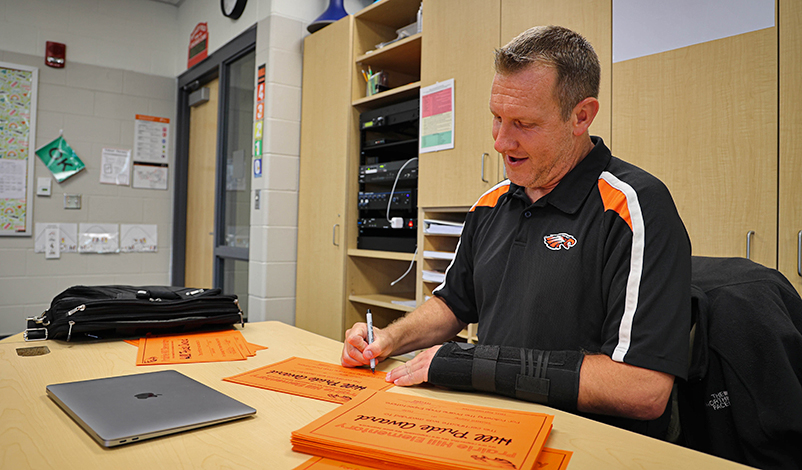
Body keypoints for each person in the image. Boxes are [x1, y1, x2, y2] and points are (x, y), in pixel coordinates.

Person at [341, 25, 691, 438]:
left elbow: (643, 389)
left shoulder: (635, 206)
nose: (502, 141)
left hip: (588, 440)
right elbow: (453, 304)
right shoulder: (490, 205)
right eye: (497, 118)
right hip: (487, 427)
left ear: (582, 116)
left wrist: (473, 365)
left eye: (524, 123)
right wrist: (388, 338)